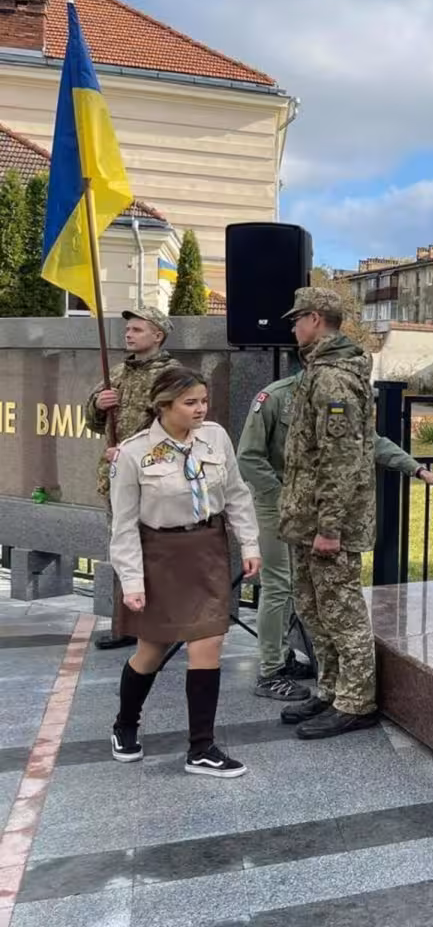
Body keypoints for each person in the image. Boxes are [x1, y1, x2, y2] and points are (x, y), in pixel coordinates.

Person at [237, 372, 433, 702]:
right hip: (276, 501)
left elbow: (370, 442)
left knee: (301, 586)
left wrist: (417, 469)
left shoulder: (342, 397)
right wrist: (285, 497)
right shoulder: (275, 397)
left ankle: (284, 654)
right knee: (278, 584)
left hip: (317, 506)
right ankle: (271, 671)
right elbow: (249, 457)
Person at [107, 366, 260, 777]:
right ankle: (125, 724)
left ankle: (201, 748)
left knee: (208, 644)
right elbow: (123, 525)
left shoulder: (215, 437)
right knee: (151, 650)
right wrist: (132, 582)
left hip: (207, 550)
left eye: (204, 401)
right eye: (190, 402)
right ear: (164, 405)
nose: (200, 409)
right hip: (160, 556)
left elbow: (236, 494)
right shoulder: (133, 453)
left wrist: (249, 544)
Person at [274, 288, 381, 740]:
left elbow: (340, 459)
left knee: (341, 611)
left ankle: (357, 702)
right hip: (307, 520)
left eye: (296, 319)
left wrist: (330, 527)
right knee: (313, 609)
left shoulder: (334, 379)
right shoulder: (317, 371)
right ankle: (331, 690)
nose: (293, 328)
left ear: (316, 319)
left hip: (328, 525)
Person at [85, 306, 181, 650]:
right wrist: (98, 404)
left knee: (157, 552)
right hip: (116, 479)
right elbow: (93, 422)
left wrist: (130, 455)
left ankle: (162, 625)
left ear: (158, 335)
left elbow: (178, 431)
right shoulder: (118, 372)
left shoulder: (172, 375)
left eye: (137, 329)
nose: (129, 334)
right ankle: (125, 624)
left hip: (155, 481)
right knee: (123, 548)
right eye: (128, 329)